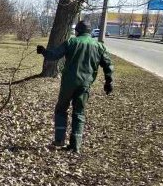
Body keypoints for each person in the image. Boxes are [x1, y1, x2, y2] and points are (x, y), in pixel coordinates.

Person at [36, 20, 114, 154]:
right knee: (79, 113)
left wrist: (43, 51)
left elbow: (54, 55)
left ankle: (59, 140)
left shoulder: (72, 42)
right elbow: (108, 65)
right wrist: (108, 82)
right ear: (89, 32)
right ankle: (76, 145)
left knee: (61, 110)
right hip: (85, 84)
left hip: (68, 83)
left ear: (78, 31)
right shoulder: (99, 46)